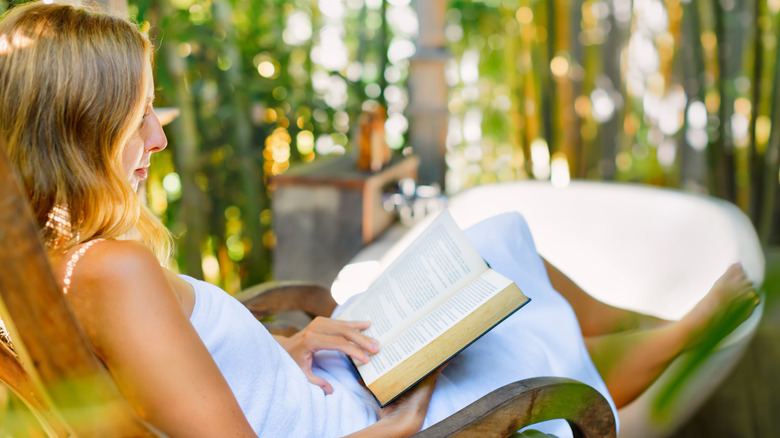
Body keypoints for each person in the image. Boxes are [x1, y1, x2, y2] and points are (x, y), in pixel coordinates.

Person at [0, 1, 759, 437]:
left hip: (325, 383)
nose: (159, 139)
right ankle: (678, 337)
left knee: (496, 237)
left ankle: (645, 323)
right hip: (360, 423)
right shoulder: (113, 270)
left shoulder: (65, 267)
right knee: (513, 335)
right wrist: (398, 424)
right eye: (138, 120)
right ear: (78, 132)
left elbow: (178, 382)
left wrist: (283, 345)